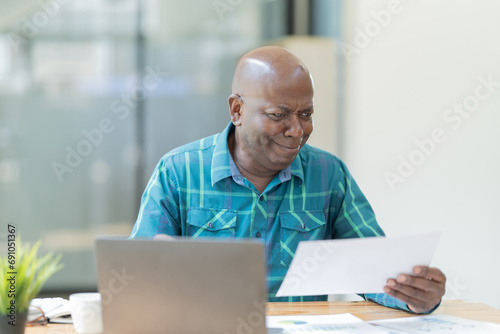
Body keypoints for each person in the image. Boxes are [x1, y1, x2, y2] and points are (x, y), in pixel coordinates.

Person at [130, 46, 446, 313]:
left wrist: (414, 295)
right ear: (237, 110)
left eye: (305, 114)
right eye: (279, 115)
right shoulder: (178, 172)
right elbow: (133, 281)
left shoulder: (329, 175)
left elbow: (375, 273)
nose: (297, 130)